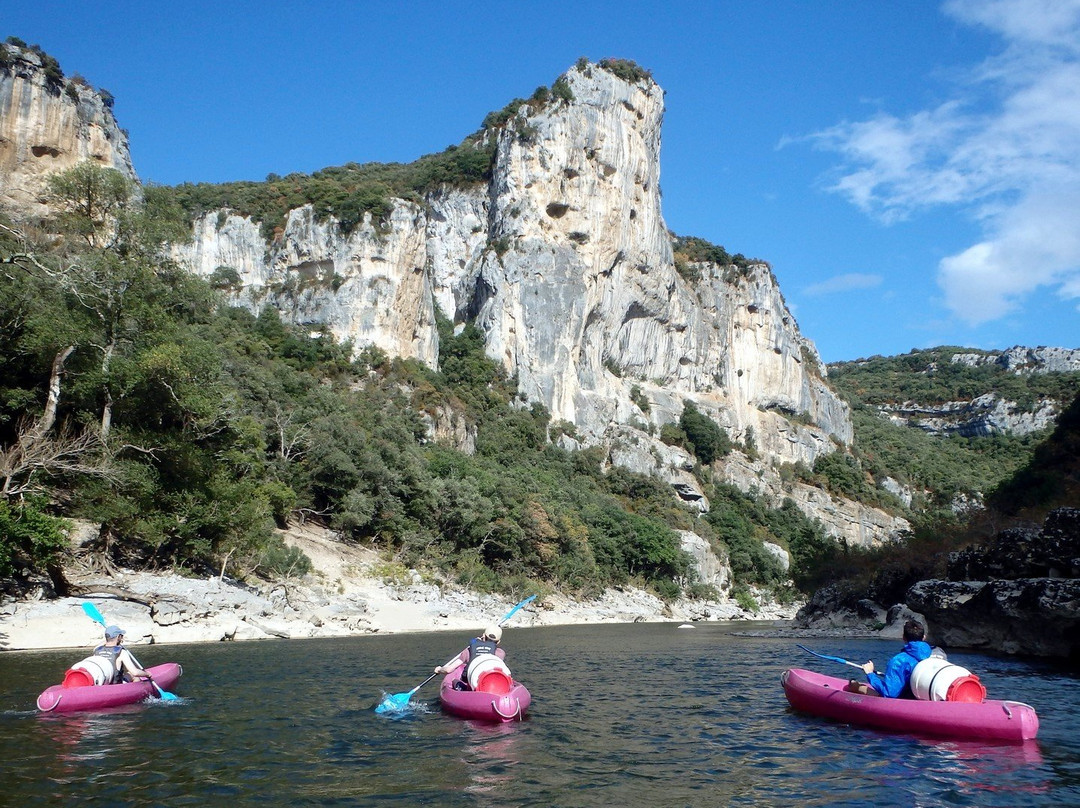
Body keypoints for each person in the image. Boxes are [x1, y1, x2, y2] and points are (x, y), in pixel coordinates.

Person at [846, 619, 932, 698]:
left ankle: (854, 686)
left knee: (854, 686)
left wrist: (870, 674)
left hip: (903, 702)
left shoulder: (898, 661)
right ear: (924, 637)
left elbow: (889, 694)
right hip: (923, 697)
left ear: (903, 637)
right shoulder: (933, 656)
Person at [434, 625, 506, 690]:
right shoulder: (501, 653)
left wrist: (439, 669)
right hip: (490, 683)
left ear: (483, 636)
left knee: (455, 681)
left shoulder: (469, 650)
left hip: (473, 685)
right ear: (498, 641)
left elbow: (448, 670)